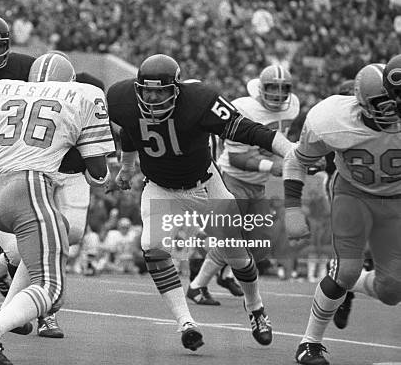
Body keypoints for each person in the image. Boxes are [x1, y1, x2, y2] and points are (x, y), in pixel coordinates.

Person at [108, 54, 294, 351]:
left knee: (236, 255)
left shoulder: (199, 100)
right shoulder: (121, 98)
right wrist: (127, 168)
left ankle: (255, 306)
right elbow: (129, 129)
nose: (153, 98)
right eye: (148, 91)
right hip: (160, 187)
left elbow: (245, 128)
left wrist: (287, 149)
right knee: (153, 248)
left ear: (177, 89)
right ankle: (186, 323)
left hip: (206, 185)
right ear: (138, 88)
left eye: (161, 91)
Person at [0, 53, 115, 365]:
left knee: (60, 229)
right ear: (71, 82)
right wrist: (76, 153)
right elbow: (98, 175)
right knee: (52, 289)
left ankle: (7, 315)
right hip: (31, 189)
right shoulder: (84, 96)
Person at [284, 61, 401, 365]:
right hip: (354, 194)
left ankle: (352, 287)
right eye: (386, 103)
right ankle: (309, 343)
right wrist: (292, 209)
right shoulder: (332, 119)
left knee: (391, 291)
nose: (395, 110)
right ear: (362, 103)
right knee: (346, 270)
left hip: (397, 200)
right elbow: (296, 161)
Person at [189, 65, 300, 305]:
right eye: (272, 88)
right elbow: (237, 158)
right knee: (231, 238)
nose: (279, 95)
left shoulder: (293, 106)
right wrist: (272, 166)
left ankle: (226, 272)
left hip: (257, 185)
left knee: (259, 242)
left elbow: (281, 141)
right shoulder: (243, 108)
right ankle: (198, 284)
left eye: (284, 89)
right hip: (233, 180)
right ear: (261, 88)